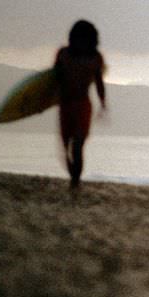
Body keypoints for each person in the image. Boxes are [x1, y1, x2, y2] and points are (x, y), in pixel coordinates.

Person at [54, 20, 106, 189]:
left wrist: (103, 103)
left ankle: (75, 182)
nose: (81, 43)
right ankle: (74, 178)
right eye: (78, 38)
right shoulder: (63, 55)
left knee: (78, 145)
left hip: (83, 105)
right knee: (66, 146)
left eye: (84, 39)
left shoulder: (95, 58)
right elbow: (53, 79)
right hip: (65, 105)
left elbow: (99, 82)